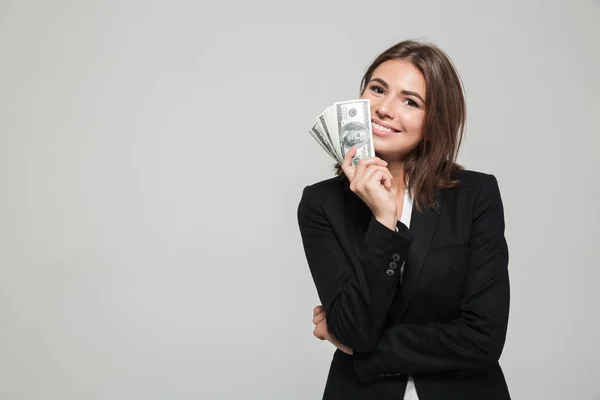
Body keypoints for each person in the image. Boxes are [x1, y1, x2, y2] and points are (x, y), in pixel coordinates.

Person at [297, 40, 511, 400]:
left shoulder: (475, 195)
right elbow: (355, 328)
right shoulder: (321, 203)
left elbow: (483, 338)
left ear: (434, 122)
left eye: (410, 101)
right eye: (378, 90)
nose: (383, 109)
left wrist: (361, 348)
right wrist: (384, 220)